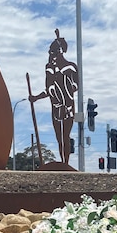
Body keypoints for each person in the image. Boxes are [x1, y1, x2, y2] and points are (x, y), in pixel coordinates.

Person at [29, 29, 78, 165]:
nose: (51, 55)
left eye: (53, 52)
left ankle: (66, 162)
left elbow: (76, 86)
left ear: (60, 51)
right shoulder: (49, 68)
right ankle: (63, 162)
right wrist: (36, 97)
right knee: (59, 137)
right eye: (50, 52)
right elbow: (48, 89)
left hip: (67, 106)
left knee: (65, 136)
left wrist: (64, 91)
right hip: (55, 106)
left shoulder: (71, 67)